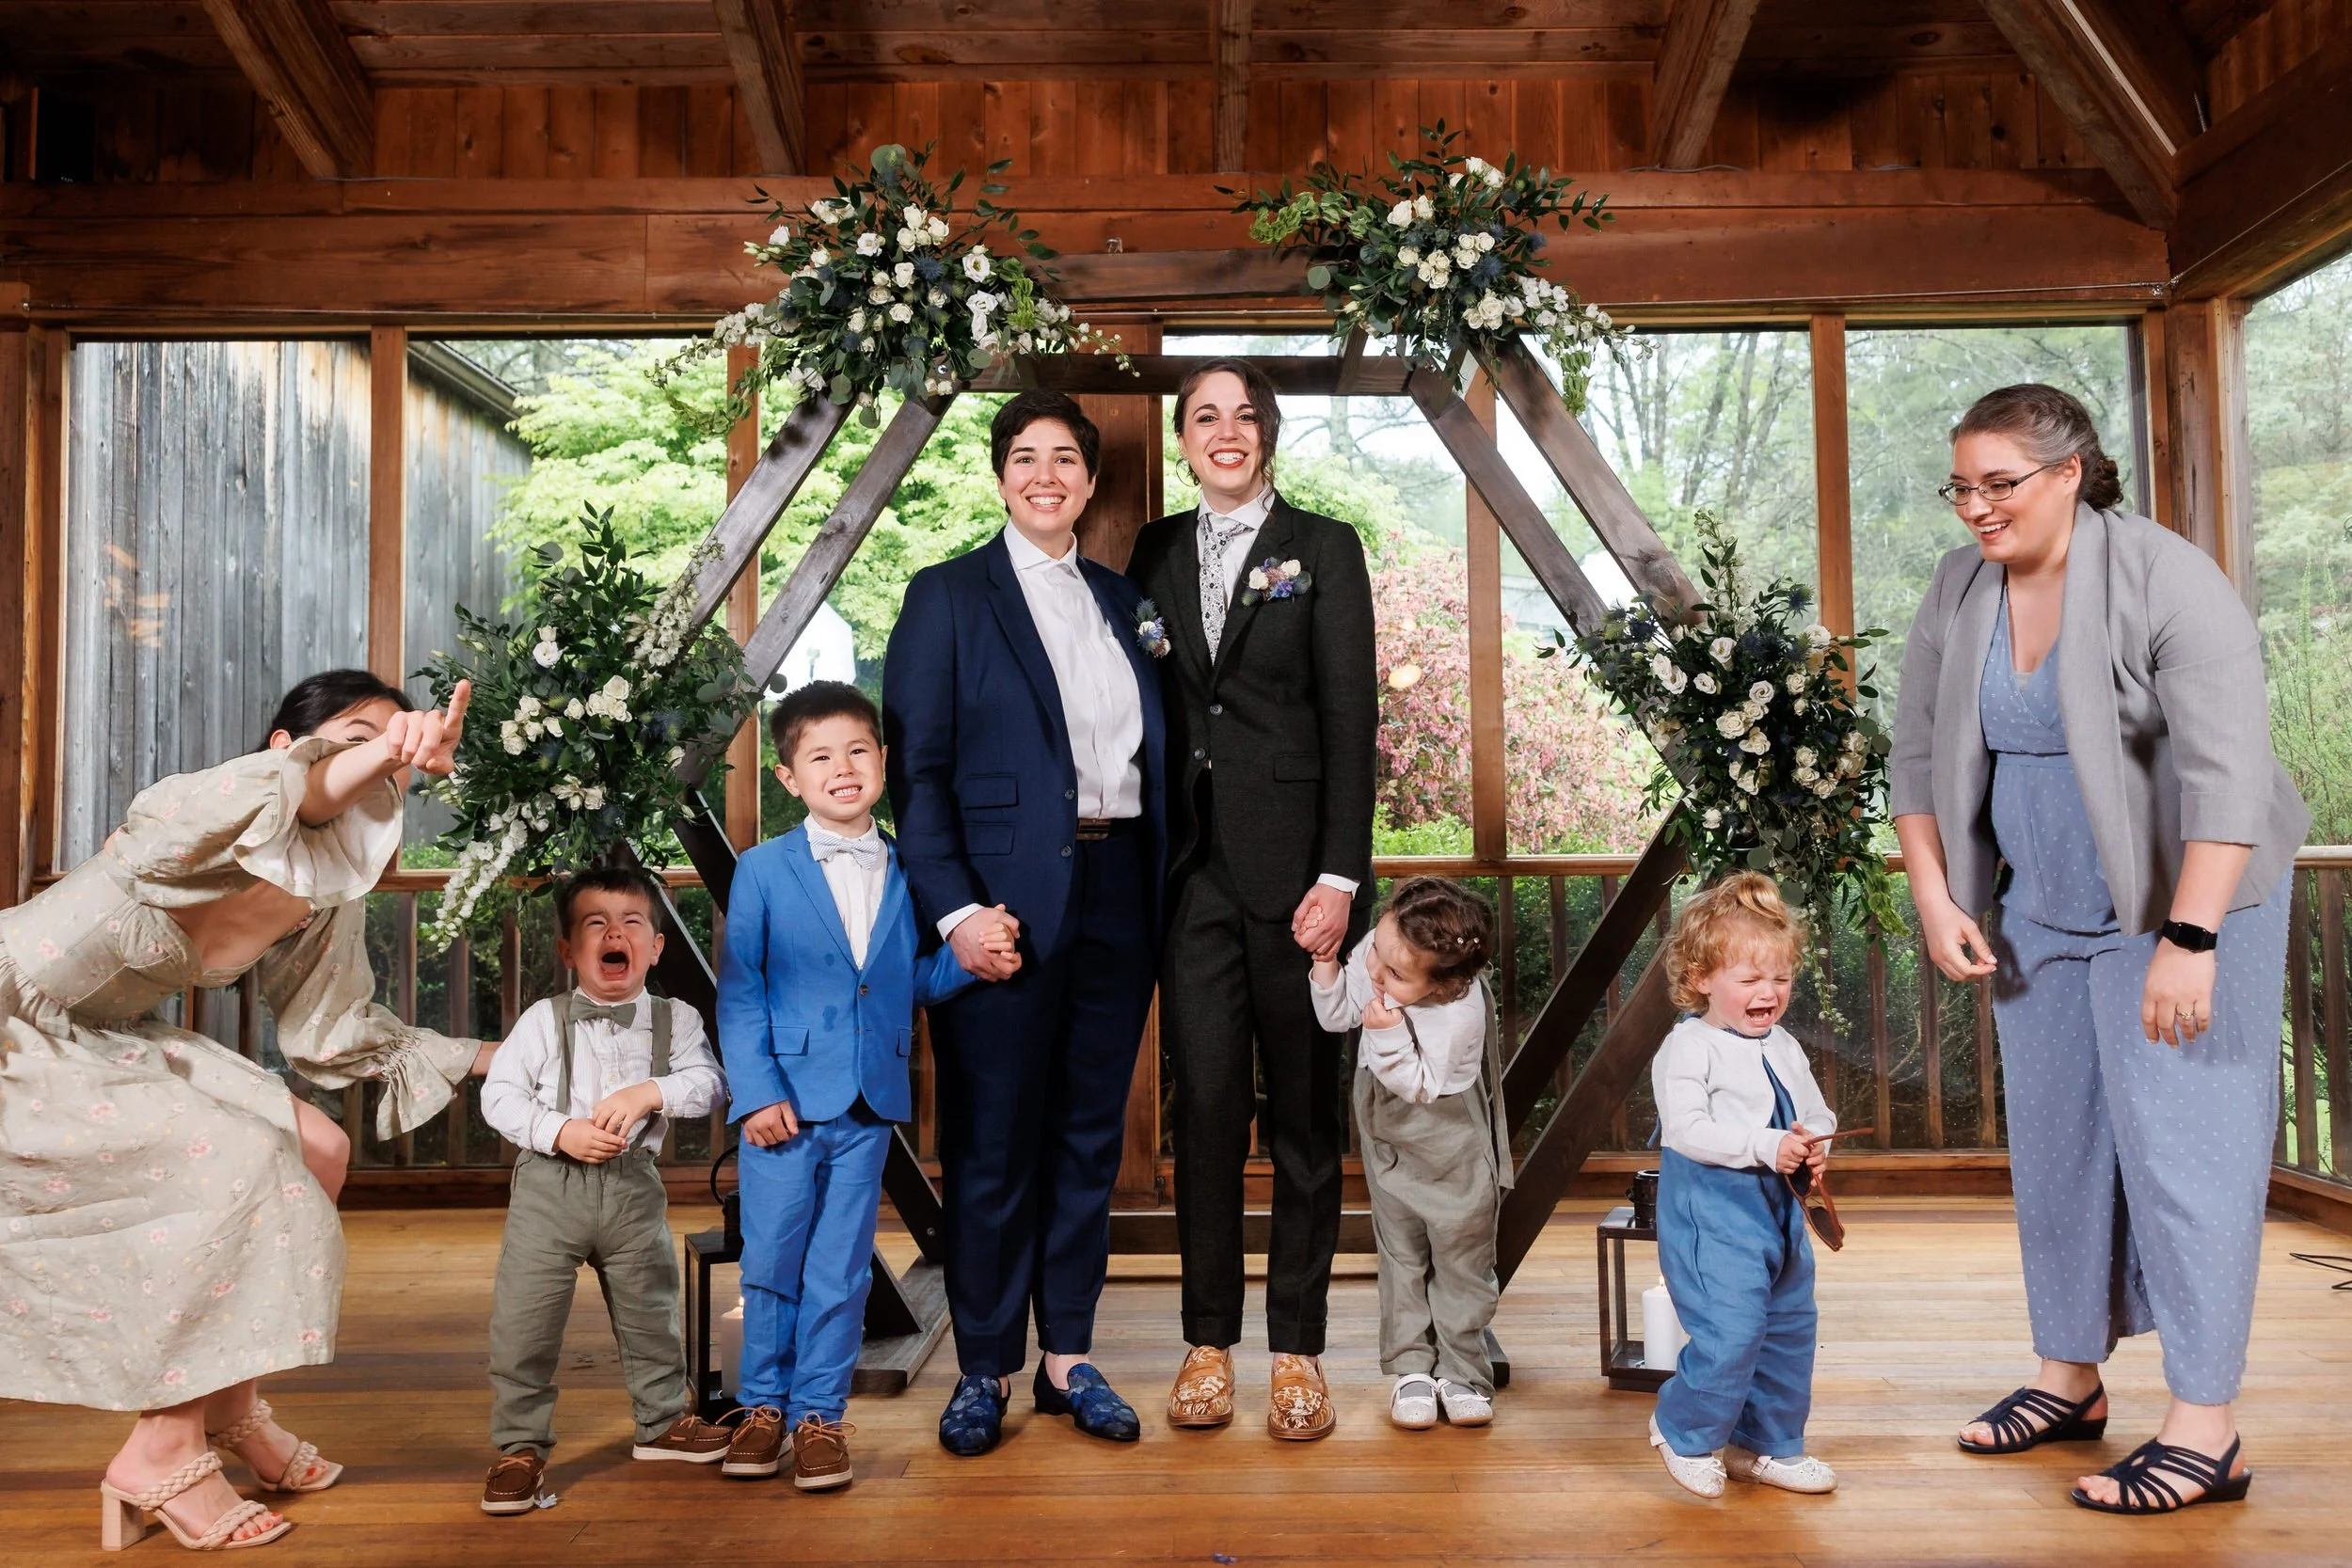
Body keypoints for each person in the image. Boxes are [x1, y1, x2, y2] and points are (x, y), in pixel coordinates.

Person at [1893, 384, 2308, 1515]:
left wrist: (2189, 934)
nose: (1976, 508)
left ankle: (2204, 1424)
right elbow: (1919, 759)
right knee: (2060, 1144)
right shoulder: (1959, 585)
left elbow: (2225, 775)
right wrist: (1937, 895)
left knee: (2186, 1154)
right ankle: (2068, 1373)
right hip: (2038, 908)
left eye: (1999, 484)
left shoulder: (2167, 578)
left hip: (2185, 902)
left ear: (2069, 471)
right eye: (1961, 486)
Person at [0, 669, 489, 1552]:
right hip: (18, 1027)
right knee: (239, 1161)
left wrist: (497, 1056)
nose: (386, 753)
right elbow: (294, 794)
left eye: (399, 747)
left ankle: (229, 1406)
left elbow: (327, 1028)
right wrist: (383, 743)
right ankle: (162, 1448)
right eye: (356, 734)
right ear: (287, 748)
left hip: (107, 1035)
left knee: (318, 1147)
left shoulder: (322, 887)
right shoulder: (213, 805)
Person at [884, 390, 1168, 1457]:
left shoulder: (1119, 597)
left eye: (1064, 460)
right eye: (1023, 457)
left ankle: (1068, 1359)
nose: (1044, 473)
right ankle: (984, 1366)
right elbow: (918, 771)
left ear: (1091, 485)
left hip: (1118, 889)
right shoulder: (946, 594)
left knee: (1088, 1136)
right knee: (993, 1142)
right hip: (999, 906)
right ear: (999, 476)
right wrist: (955, 912)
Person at [1126, 358, 1377, 1440]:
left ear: (1268, 433)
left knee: (1308, 1125)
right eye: (1203, 416)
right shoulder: (1151, 552)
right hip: (1191, 879)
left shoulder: (1323, 549)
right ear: (1182, 438)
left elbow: (1350, 720)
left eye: (1244, 415)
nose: (1224, 431)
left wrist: (1338, 878)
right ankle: (1206, 1340)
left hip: (1299, 884)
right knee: (1210, 1114)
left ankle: (1299, 1352)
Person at [714, 681, 987, 1491]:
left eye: (858, 751)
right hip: (782, 1108)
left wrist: (971, 960)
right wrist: (757, 1092)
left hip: (870, 1102)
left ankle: (820, 1417)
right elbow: (741, 989)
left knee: (842, 1269)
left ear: (884, 761)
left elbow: (910, 980)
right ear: (788, 775)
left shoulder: (913, 865)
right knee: (770, 1261)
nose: (843, 768)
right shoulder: (761, 870)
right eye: (820, 756)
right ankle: (760, 1407)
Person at [477, 866, 734, 1514]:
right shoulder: (543, 1019)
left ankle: (661, 1421)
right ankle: (519, 1445)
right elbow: (498, 1095)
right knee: (524, 1322)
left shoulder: (676, 1019)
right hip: (549, 1189)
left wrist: (652, 1090)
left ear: (655, 946)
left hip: (631, 1189)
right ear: (569, 949)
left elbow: (708, 1085)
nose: (615, 934)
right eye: (596, 924)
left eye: (632, 923)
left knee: (652, 1310)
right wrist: (558, 1130)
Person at [1646, 872, 1841, 1501]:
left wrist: (1817, 1142)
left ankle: (1767, 1442)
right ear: (1702, 976)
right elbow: (1685, 1129)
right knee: (1731, 1329)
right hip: (1713, 1214)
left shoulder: (1783, 1045)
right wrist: (1766, 1143)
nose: (1770, 992)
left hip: (1779, 1214)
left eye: (1780, 978)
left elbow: (1817, 1111)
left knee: (1788, 1327)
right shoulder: (1688, 1047)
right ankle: (1684, 1430)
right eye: (1751, 979)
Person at [1310, 877, 1510, 1432]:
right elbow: (1336, 1016)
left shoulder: (1458, 1013)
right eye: (1376, 949)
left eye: (1396, 974)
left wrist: (1387, 1034)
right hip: (1387, 1125)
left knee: (1461, 1254)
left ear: (1443, 987)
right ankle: (1411, 1369)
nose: (1375, 972)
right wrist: (1329, 967)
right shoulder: (1383, 952)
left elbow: (1421, 1084)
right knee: (1400, 1250)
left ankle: (1463, 1371)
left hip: (1448, 1128)